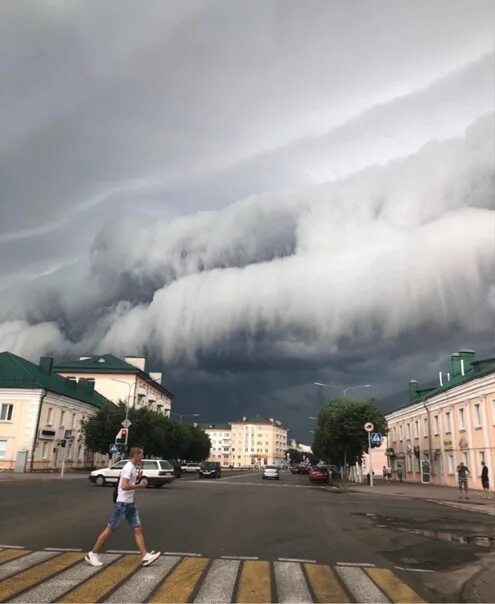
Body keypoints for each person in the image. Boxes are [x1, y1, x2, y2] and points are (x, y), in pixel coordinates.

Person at [85, 446, 161, 568]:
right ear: (136, 455)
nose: (143, 457)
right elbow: (124, 486)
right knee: (110, 528)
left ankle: (145, 557)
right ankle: (92, 554)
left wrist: (137, 480)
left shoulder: (133, 467)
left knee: (138, 528)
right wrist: (139, 486)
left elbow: (129, 484)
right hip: (123, 504)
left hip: (130, 504)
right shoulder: (128, 467)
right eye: (141, 454)